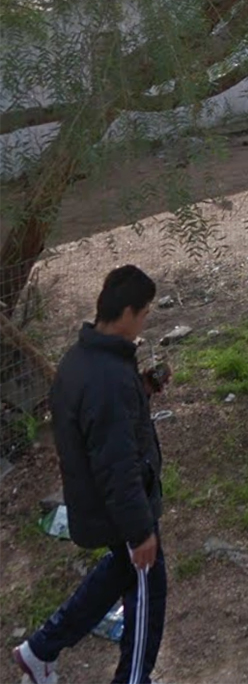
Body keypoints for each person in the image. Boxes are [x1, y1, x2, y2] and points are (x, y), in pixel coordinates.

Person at [15, 266, 168, 684]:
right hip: (121, 510)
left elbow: (103, 429)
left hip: (101, 504)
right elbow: (117, 464)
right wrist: (140, 532)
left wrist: (144, 389)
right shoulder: (108, 379)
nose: (146, 321)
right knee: (148, 594)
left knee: (117, 575)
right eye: (145, 312)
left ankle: (41, 649)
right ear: (128, 313)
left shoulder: (83, 361)